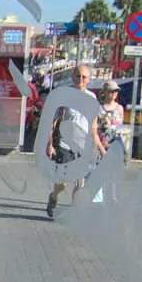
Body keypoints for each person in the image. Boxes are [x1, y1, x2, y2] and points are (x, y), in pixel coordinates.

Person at [45, 67, 103, 220]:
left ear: (88, 79)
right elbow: (54, 121)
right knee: (63, 182)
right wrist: (50, 143)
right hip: (65, 142)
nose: (81, 80)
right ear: (73, 77)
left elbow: (93, 126)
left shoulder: (92, 98)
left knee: (79, 183)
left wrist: (99, 148)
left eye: (84, 77)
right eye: (78, 76)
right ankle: (54, 196)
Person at [95, 80, 125, 162]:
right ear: (104, 92)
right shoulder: (98, 108)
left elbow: (120, 128)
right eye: (111, 90)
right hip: (102, 144)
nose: (114, 93)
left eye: (116, 91)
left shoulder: (120, 108)